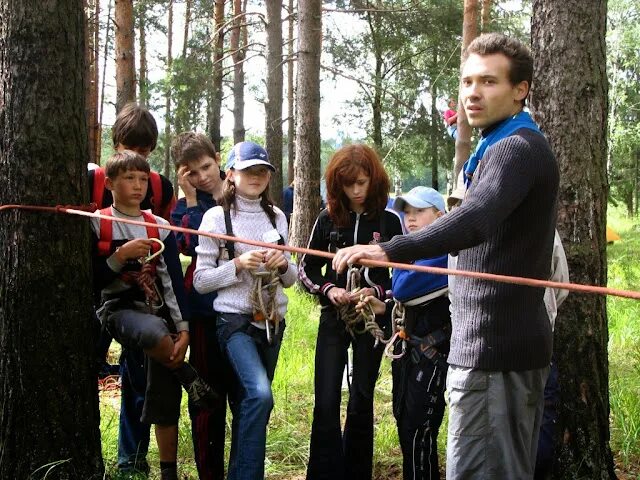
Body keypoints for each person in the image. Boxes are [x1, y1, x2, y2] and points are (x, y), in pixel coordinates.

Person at [333, 33, 559, 479]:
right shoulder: (497, 144)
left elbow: (474, 221)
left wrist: (387, 249)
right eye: (468, 81)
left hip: (498, 351)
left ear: (520, 89)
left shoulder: (516, 148)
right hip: (489, 346)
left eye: (489, 82)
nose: (473, 92)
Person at [92, 151, 218, 480]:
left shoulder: (159, 226)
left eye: (143, 179)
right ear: (109, 184)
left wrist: (185, 329)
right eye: (128, 178)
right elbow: (90, 283)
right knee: (154, 334)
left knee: (164, 387)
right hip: (118, 308)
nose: (137, 185)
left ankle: (168, 472)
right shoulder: (98, 222)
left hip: (158, 309)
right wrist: (118, 258)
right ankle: (190, 375)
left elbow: (173, 281)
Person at [193, 141, 298, 480]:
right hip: (234, 322)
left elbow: (291, 280)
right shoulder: (215, 217)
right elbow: (200, 281)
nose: (256, 176)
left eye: (262, 170)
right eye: (248, 169)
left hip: (272, 322)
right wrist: (238, 264)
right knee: (260, 393)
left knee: (249, 406)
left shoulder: (277, 216)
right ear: (231, 174)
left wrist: (282, 264)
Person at [298, 144, 403, 479]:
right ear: (337, 185)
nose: (357, 190)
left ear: (375, 179)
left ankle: (357, 473)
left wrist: (377, 293)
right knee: (326, 399)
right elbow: (306, 268)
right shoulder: (327, 219)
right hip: (334, 316)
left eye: (362, 182)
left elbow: (404, 274)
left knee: (361, 398)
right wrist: (330, 290)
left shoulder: (389, 221)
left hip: (372, 317)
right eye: (349, 184)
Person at [90, 103, 177, 475]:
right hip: (101, 290)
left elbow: (168, 246)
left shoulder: (159, 185)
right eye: (129, 148)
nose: (137, 159)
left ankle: (132, 458)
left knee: (139, 373)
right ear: (115, 143)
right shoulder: (96, 180)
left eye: (144, 152)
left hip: (143, 296)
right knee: (94, 367)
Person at [357, 186, 451, 480]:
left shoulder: (445, 252)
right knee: (404, 419)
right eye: (407, 212)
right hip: (411, 349)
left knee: (418, 428)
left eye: (419, 212)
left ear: (441, 215)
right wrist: (383, 307)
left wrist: (400, 265)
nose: (410, 219)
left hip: (433, 354)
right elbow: (403, 296)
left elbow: (404, 288)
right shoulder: (415, 252)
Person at [170, 132, 231, 480]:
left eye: (206, 166)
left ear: (218, 158)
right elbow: (189, 246)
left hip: (243, 309)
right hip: (205, 309)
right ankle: (211, 473)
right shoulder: (186, 207)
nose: (203, 175)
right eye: (192, 172)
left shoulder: (242, 191)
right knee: (207, 395)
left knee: (244, 395)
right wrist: (191, 200)